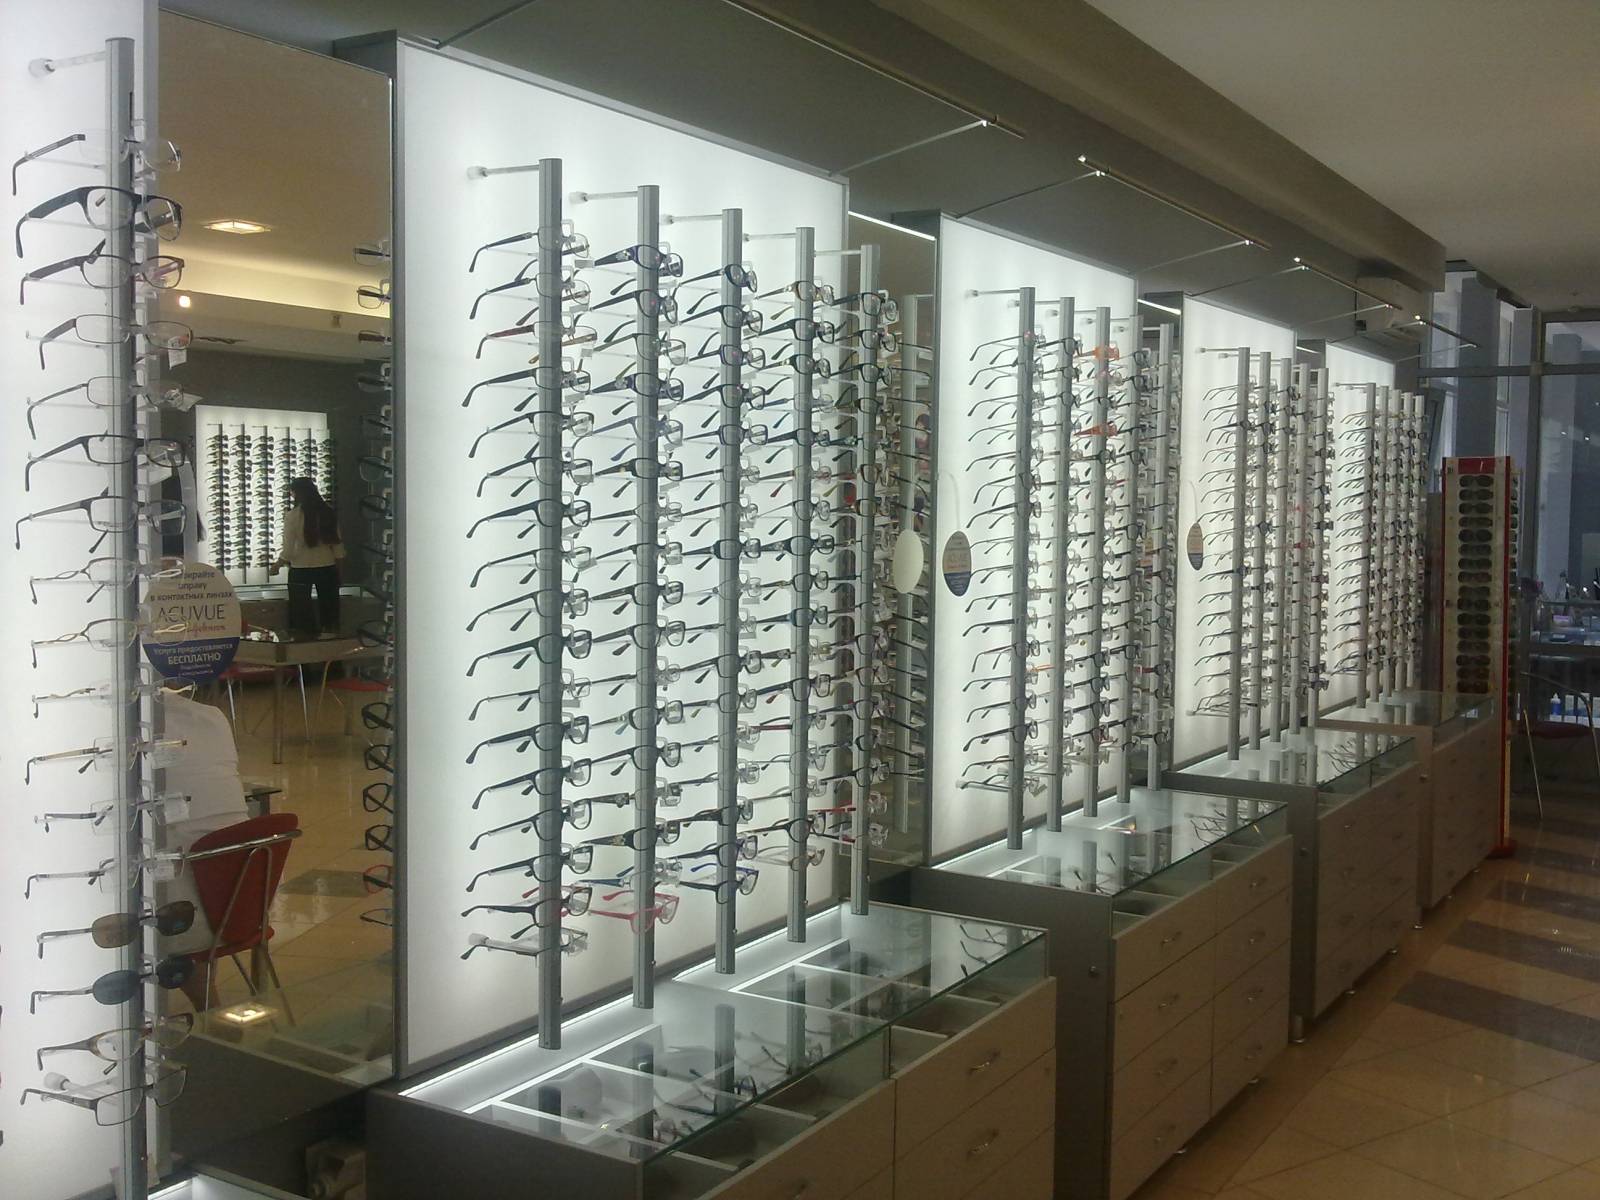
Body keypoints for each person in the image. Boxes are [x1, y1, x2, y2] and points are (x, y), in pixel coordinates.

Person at [159, 691, 252, 1011]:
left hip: (179, 921)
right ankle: (209, 1005)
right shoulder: (212, 718)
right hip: (244, 905)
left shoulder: (141, 735)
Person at [272, 477, 345, 638]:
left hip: (300, 568)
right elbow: (337, 546)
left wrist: (277, 565)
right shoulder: (327, 512)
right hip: (327, 566)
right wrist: (339, 572)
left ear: (296, 493)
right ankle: (330, 644)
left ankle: (305, 643)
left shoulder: (293, 516)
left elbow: (288, 550)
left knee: (301, 612)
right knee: (329, 610)